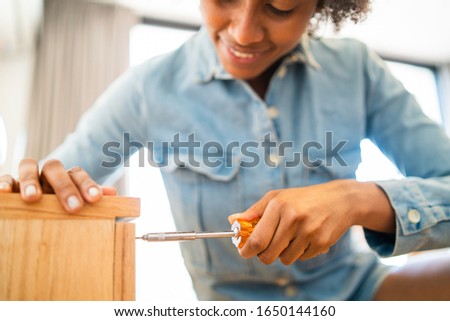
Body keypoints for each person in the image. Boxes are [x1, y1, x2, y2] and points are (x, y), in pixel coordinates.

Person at [1, 0, 450, 300]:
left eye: (280, 7)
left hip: (358, 295)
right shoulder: (146, 90)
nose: (244, 32)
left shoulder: (357, 71)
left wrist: (359, 200)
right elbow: (57, 186)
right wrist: (35, 197)